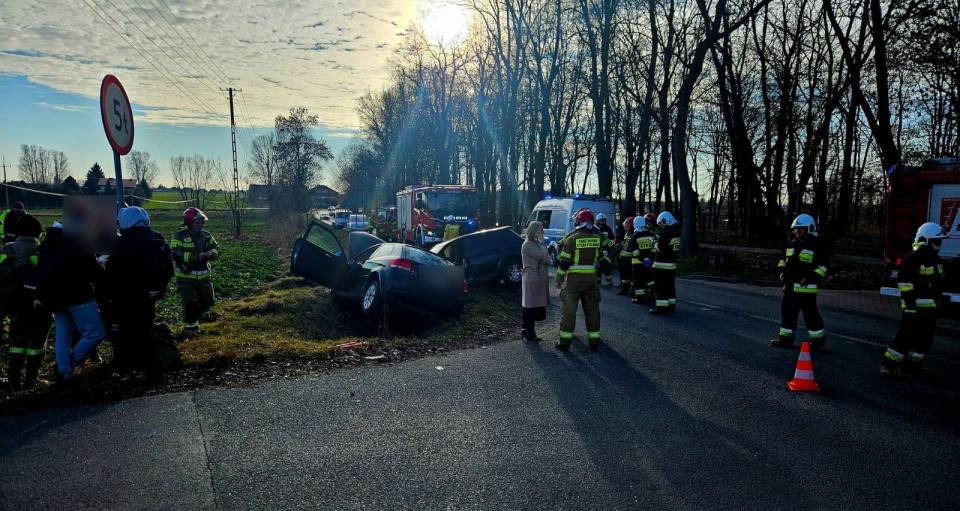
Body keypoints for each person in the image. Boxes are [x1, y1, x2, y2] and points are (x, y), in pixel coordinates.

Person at [34, 220, 106, 382]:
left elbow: (41, 272)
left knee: (63, 336)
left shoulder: (47, 245)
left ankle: (64, 372)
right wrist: (102, 268)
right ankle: (73, 361)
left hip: (55, 299)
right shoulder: (78, 244)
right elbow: (93, 271)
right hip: (78, 296)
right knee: (96, 333)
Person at [103, 207, 174, 371]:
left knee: (123, 331)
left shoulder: (120, 243)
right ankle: (147, 363)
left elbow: (111, 272)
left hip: (124, 296)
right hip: (149, 295)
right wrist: (159, 288)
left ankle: (126, 366)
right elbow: (168, 268)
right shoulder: (157, 239)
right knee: (145, 326)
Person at [881, 222, 948, 378]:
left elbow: (938, 285)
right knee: (904, 338)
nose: (938, 245)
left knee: (925, 340)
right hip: (914, 308)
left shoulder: (937, 260)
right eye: (936, 241)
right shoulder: (913, 259)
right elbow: (905, 283)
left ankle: (912, 365)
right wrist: (910, 306)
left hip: (929, 310)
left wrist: (940, 304)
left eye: (939, 241)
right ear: (925, 240)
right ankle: (888, 366)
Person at [0, 214, 51, 390]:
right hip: (38, 307)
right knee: (36, 345)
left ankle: (14, 379)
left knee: (16, 344)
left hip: (13, 306)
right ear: (38, 233)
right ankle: (31, 379)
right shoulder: (42, 252)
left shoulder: (5, 251)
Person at [769, 214, 829, 349]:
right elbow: (782, 260)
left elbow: (823, 267)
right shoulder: (792, 244)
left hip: (806, 289)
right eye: (796, 229)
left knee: (811, 316)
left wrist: (809, 278)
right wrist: (781, 272)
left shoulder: (817, 245)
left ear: (810, 228)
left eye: (800, 229)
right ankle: (785, 340)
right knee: (787, 314)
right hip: (790, 287)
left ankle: (818, 342)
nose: (797, 232)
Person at [555, 208, 605, 350]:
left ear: (578, 222)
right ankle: (594, 340)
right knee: (593, 310)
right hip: (591, 280)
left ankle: (565, 342)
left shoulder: (571, 239)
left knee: (569, 311)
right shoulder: (597, 238)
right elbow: (605, 254)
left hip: (574, 282)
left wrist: (558, 279)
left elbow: (564, 263)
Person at [171, 208, 219, 332]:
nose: (201, 224)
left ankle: (195, 318)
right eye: (198, 222)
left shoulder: (206, 236)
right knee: (190, 303)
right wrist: (197, 257)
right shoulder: (180, 236)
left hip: (204, 277)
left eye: (202, 222)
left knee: (208, 302)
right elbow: (175, 253)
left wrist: (211, 253)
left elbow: (217, 249)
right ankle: (190, 328)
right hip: (186, 277)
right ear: (190, 222)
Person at [521, 221, 549, 342]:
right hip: (532, 278)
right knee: (530, 307)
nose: (542, 232)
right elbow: (542, 256)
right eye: (540, 230)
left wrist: (543, 252)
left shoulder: (536, 243)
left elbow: (546, 257)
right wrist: (543, 244)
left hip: (538, 278)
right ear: (534, 231)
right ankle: (528, 332)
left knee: (533, 307)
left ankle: (529, 331)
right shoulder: (527, 245)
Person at [650, 211, 680, 315]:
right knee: (670, 286)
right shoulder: (676, 231)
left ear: (665, 221)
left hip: (662, 265)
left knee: (660, 287)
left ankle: (661, 308)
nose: (661, 226)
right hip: (671, 265)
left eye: (661, 224)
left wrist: (654, 243)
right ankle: (671, 305)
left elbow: (661, 247)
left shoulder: (667, 233)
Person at [631, 213, 657, 305]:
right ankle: (653, 294)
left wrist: (642, 259)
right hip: (649, 263)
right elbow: (655, 248)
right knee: (650, 279)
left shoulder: (634, 237)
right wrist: (649, 258)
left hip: (638, 263)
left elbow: (634, 251)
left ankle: (640, 298)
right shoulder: (652, 235)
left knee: (638, 281)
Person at [616, 216, 635, 295]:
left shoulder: (631, 234)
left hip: (627, 259)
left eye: (626, 225)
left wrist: (619, 246)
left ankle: (625, 289)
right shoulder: (628, 233)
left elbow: (627, 247)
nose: (624, 226)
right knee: (626, 276)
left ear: (630, 225)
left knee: (626, 276)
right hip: (626, 259)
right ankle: (627, 289)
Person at [595, 213, 615, 286]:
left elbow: (612, 239)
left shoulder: (607, 228)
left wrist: (609, 246)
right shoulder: (595, 229)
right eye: (601, 221)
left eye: (604, 220)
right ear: (597, 221)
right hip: (597, 250)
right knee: (597, 266)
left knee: (606, 265)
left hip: (605, 251)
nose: (603, 222)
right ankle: (598, 281)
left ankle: (609, 280)